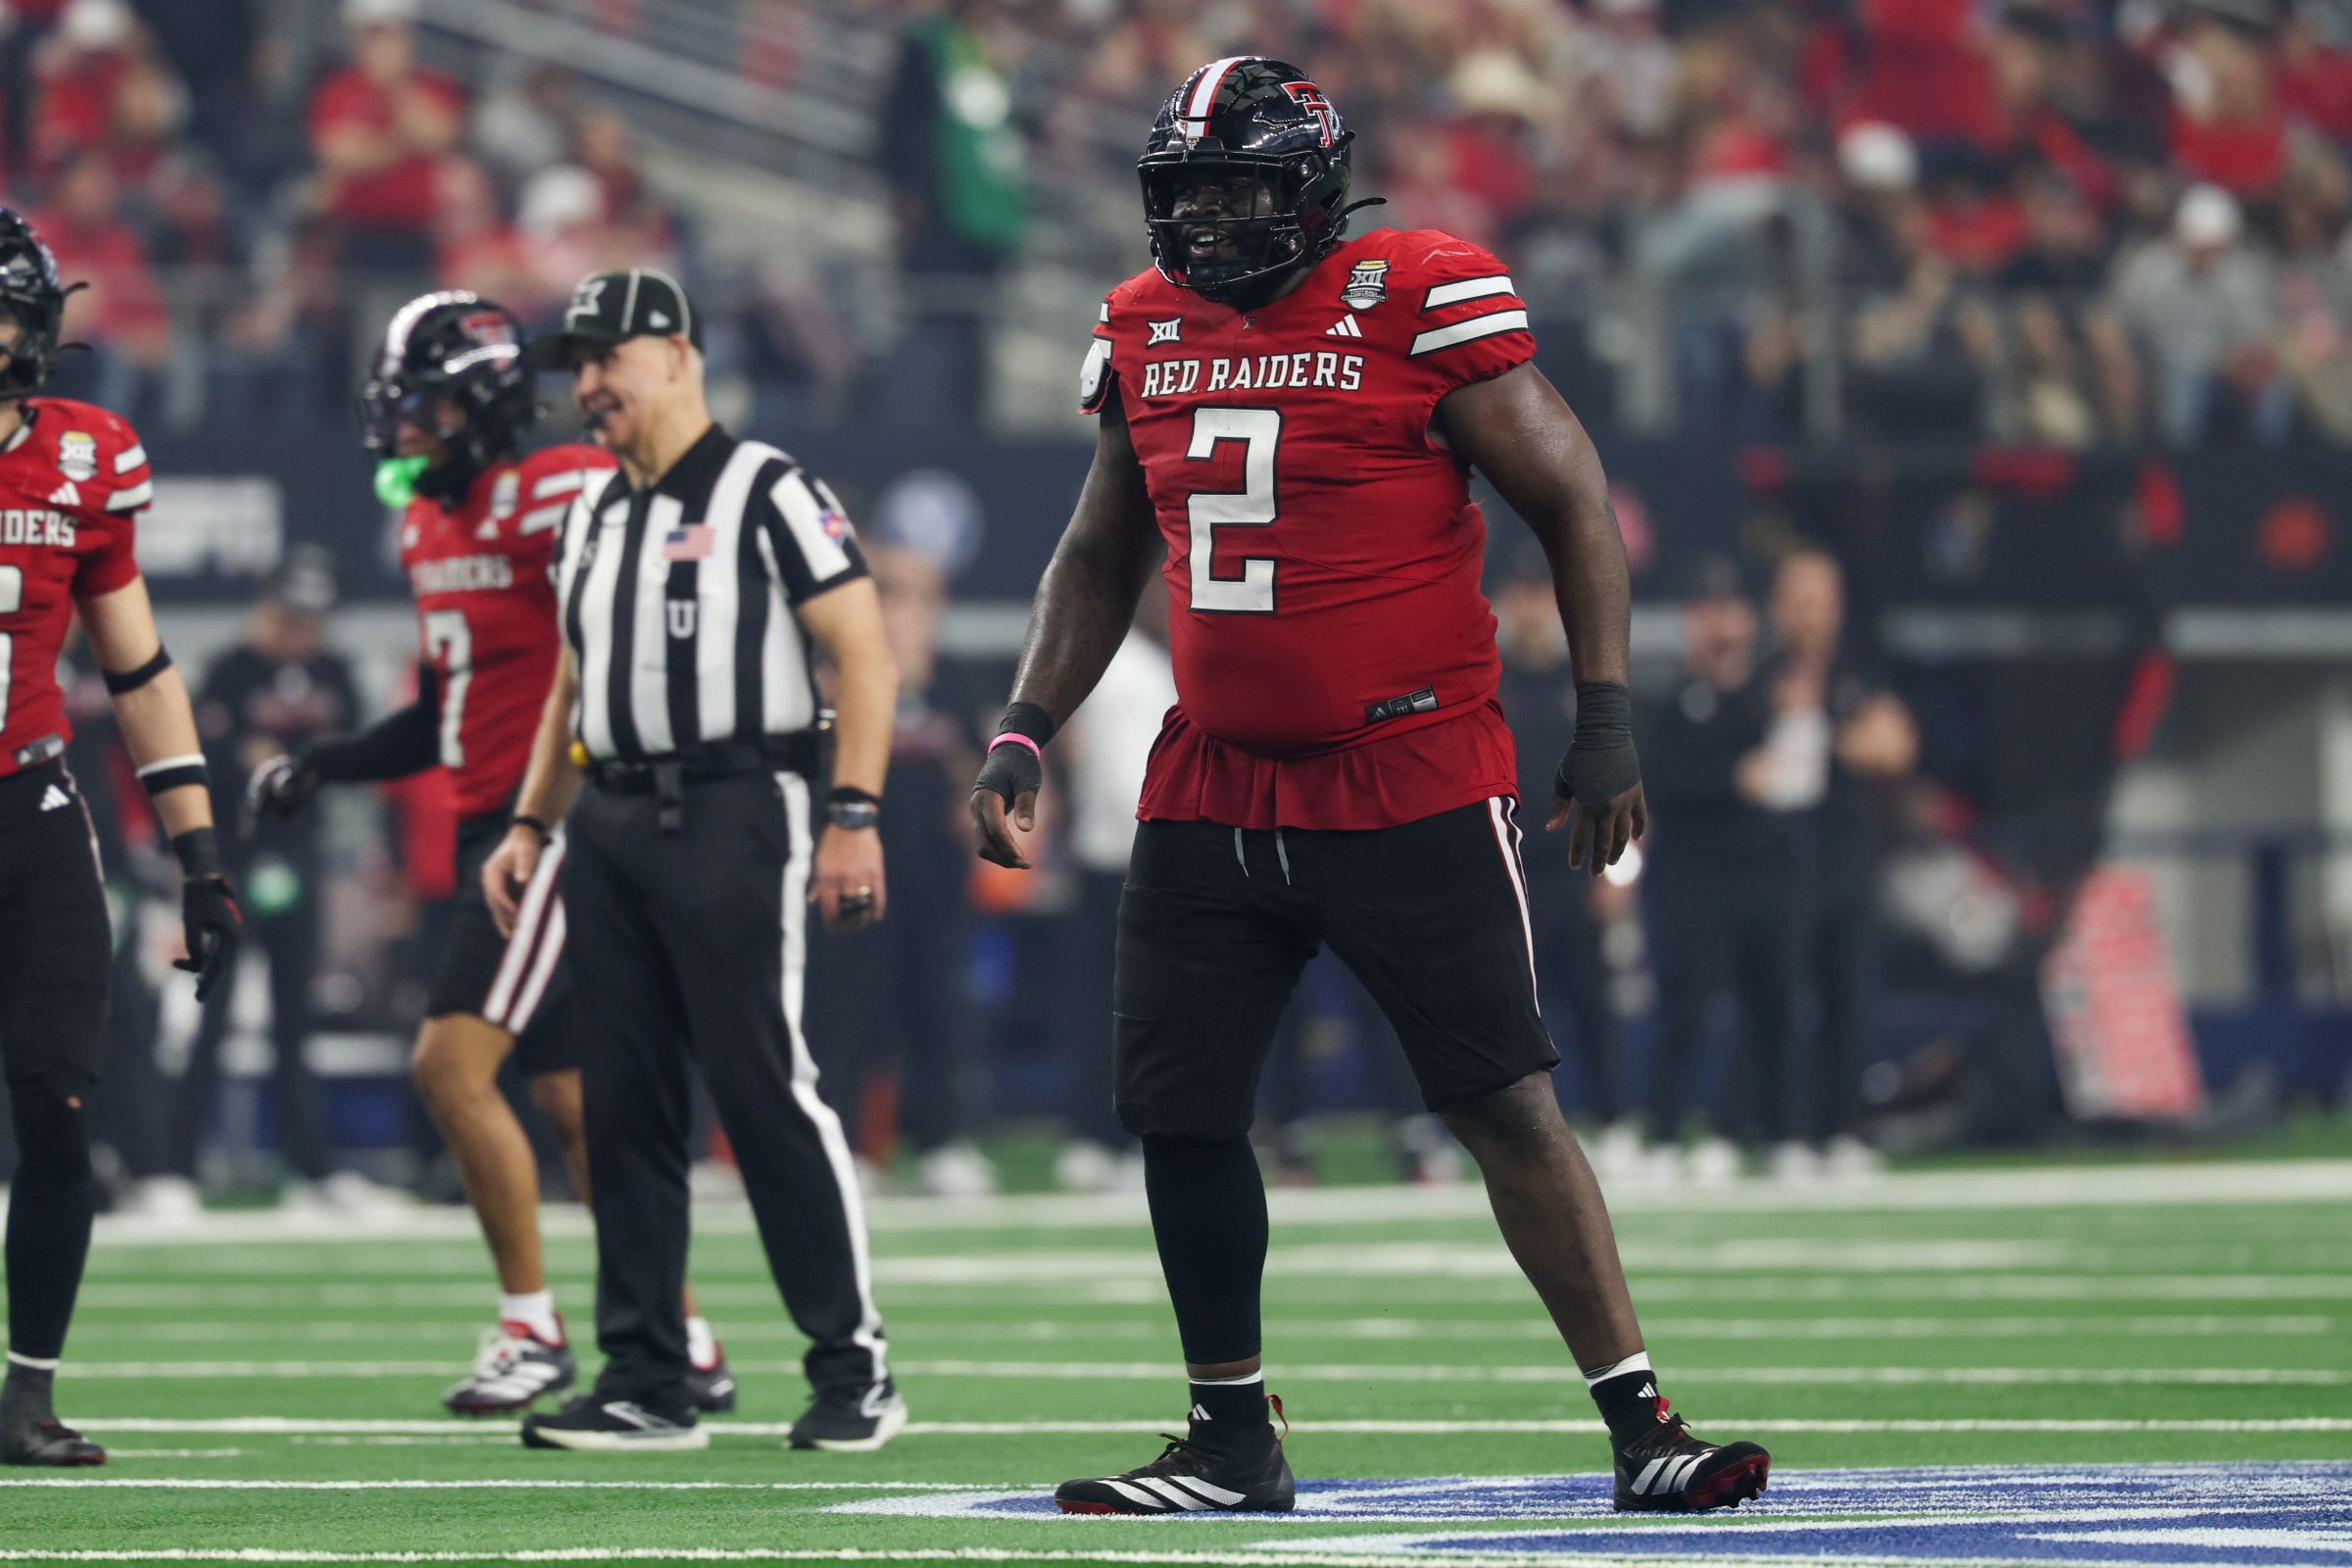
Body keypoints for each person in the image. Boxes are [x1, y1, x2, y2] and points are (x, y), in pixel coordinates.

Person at [969, 60, 1768, 1516]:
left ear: (1318, 191)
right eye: (1188, 193)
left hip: (1408, 768)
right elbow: (1097, 556)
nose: (1208, 221)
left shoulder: (1417, 292)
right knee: (1185, 1111)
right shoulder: (1144, 326)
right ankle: (1229, 1438)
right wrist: (1026, 720)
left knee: (1503, 1104)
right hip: (1210, 784)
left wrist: (1603, 719)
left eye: (1239, 190)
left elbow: (1572, 496)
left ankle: (1643, 1422)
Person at [246, 291, 732, 1417]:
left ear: (484, 402)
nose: (404, 430)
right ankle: (689, 1336)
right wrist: (326, 763)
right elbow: (437, 711)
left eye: (424, 407)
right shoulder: (428, 523)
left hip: (549, 826)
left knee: (448, 1069)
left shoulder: (556, 489)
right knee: (569, 1105)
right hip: (486, 828)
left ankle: (532, 1328)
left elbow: (617, 641)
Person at [484, 268, 903, 1453]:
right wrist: (529, 824)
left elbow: (862, 654)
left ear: (676, 354)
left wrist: (853, 810)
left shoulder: (769, 487)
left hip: (735, 807)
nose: (587, 385)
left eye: (606, 358)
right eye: (576, 365)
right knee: (624, 1106)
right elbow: (573, 685)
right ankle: (646, 1376)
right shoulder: (594, 511)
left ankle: (851, 1363)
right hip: (608, 819)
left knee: (763, 1084)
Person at [0, 207, 239, 1466]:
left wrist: (199, 853)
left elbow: (138, 668)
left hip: (25, 807)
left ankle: (26, 1391)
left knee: (56, 1103)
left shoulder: (84, 461)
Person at [173, 550, 386, 1211]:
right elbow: (211, 762)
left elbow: (347, 756)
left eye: (312, 618)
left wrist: (284, 761)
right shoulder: (227, 673)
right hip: (233, 862)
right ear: (266, 608)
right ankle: (175, 1167)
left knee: (297, 1017)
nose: (302, 631)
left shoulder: (335, 671)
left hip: (302, 857)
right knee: (213, 1014)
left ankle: (311, 1169)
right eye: (292, 615)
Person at [803, 539, 993, 1198]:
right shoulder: (832, 671)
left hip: (934, 882)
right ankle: (849, 1146)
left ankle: (941, 1142)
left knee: (939, 1012)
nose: (903, 611)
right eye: (889, 594)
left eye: (917, 597)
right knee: (845, 1012)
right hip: (852, 873)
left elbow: (978, 764)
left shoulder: (953, 679)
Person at [1637, 558, 1796, 1181]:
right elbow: (1665, 781)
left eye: (1731, 610)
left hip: (1764, 872)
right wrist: (1734, 780)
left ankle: (1771, 1132)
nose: (1721, 627)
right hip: (1691, 879)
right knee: (1685, 1005)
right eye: (1708, 612)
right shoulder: (1670, 700)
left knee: (1773, 1007)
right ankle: (1665, 1131)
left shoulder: (1772, 698)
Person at [1765, 548, 1914, 1179]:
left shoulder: (1858, 672)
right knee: (1778, 1003)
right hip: (1776, 860)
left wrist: (1821, 732)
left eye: (1820, 601)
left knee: (1847, 997)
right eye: (1799, 600)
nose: (1810, 615)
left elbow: (1895, 746)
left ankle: (1842, 1129)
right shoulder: (1761, 675)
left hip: (1846, 856)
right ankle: (1785, 1133)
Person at [1493, 546, 1636, 1173]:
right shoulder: (1486, 684)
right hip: (1511, 877)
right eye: (1519, 593)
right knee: (1513, 1013)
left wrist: (1620, 869)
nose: (1529, 608)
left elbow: (1622, 784)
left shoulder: (1584, 686)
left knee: (1592, 1005)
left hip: (1579, 873)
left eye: (1539, 593)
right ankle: (1516, 1132)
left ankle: (1612, 1121)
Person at [1053, 575, 1175, 1193]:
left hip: (1124, 860)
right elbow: (1118, 781)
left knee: (1129, 1010)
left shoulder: (1151, 665)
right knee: (1124, 1010)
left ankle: (1115, 1138)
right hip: (1125, 864)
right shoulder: (1125, 667)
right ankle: (1107, 1139)